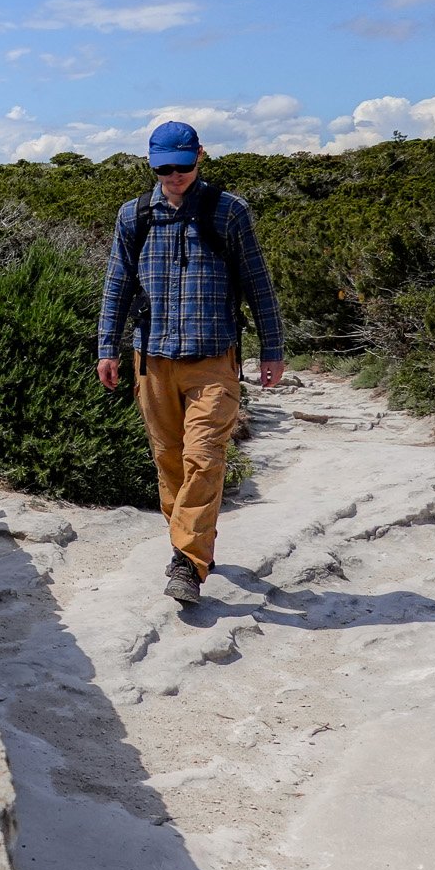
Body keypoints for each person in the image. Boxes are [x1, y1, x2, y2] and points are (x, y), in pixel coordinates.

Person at [97, 120, 285, 606]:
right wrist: (106, 348)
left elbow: (257, 282)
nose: (174, 176)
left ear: (199, 156)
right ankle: (193, 543)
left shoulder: (229, 211)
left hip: (213, 359)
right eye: (163, 168)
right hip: (151, 358)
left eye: (182, 166)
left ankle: (186, 562)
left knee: (204, 459)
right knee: (168, 461)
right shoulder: (134, 216)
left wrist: (273, 349)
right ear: (151, 162)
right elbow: (116, 284)